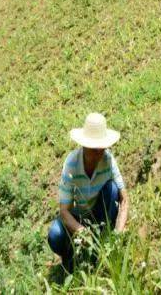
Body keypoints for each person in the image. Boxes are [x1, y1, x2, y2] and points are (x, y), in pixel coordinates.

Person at [47, 113, 129, 272]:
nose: (99, 153)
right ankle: (70, 259)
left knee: (112, 189)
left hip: (98, 215)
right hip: (76, 218)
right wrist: (82, 232)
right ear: (84, 146)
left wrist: (118, 232)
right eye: (94, 149)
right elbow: (64, 212)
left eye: (101, 149)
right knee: (55, 235)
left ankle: (105, 239)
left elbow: (124, 199)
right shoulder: (72, 165)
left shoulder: (108, 160)